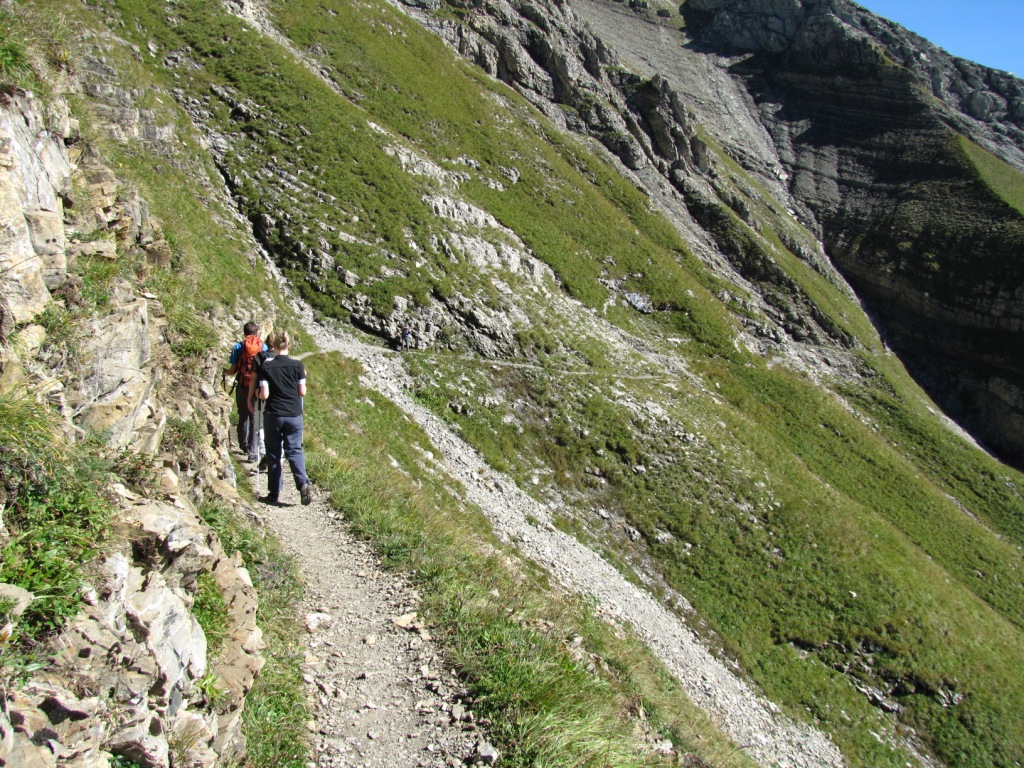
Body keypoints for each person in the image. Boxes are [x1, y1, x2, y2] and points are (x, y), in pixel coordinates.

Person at [251, 330, 312, 505]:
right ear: (289, 346)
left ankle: (274, 492)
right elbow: (302, 392)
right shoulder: (298, 366)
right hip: (294, 414)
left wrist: (256, 393)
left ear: (274, 347)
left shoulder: (267, 366)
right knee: (294, 449)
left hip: (274, 414)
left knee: (274, 452)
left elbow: (264, 395)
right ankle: (303, 483)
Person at [223, 321, 267, 463]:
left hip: (242, 385)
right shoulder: (263, 347)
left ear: (244, 333)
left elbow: (233, 370)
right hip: (257, 388)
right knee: (254, 418)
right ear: (257, 333)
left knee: (243, 415)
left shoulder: (238, 347)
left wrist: (225, 372)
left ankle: (243, 444)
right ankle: (253, 452)